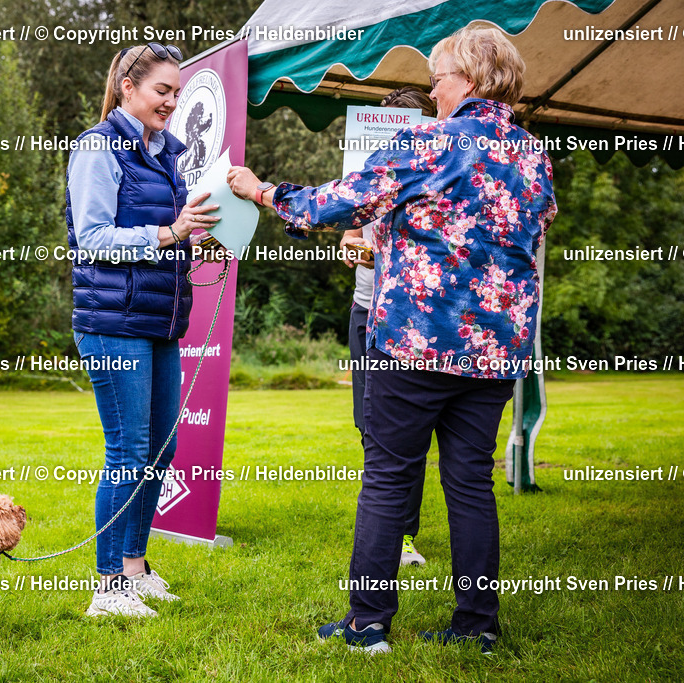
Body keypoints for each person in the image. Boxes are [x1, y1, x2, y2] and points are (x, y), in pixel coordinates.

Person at [229, 27, 557, 653]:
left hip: (415, 340)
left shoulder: (429, 141)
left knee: (387, 477)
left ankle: (367, 623)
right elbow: (516, 234)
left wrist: (263, 191)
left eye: (438, 77)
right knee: (469, 483)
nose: (433, 91)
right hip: (496, 349)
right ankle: (476, 628)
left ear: (472, 80)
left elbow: (335, 204)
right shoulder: (534, 154)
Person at [65, 42, 219, 617]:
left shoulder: (162, 154)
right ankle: (108, 589)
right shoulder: (97, 148)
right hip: (112, 324)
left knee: (161, 447)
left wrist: (197, 234)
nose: (172, 102)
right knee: (128, 450)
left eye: (178, 92)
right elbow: (94, 238)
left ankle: (134, 565)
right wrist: (168, 233)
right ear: (128, 87)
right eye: (163, 90)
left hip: (158, 320)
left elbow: (165, 229)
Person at [342, 86, 437, 568]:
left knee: (408, 431)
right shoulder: (368, 174)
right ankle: (382, 529)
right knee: (370, 425)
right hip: (367, 309)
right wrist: (362, 248)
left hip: (415, 317)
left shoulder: (442, 169)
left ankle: (403, 536)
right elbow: (348, 239)